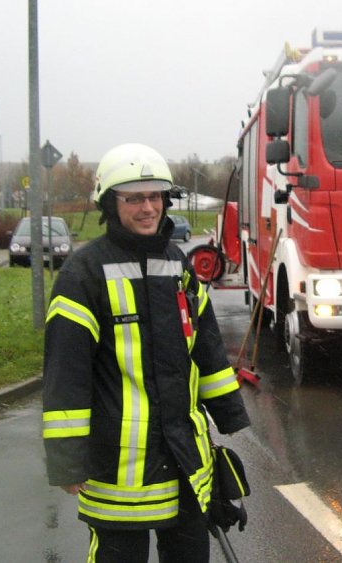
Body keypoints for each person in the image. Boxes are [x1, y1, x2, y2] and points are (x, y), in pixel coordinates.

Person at [42, 143, 250, 562]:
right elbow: (67, 373)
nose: (147, 208)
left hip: (185, 463)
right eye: (133, 198)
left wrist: (228, 413)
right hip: (118, 469)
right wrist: (67, 460)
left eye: (155, 196)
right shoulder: (82, 275)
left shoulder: (178, 265)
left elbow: (206, 349)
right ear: (109, 203)